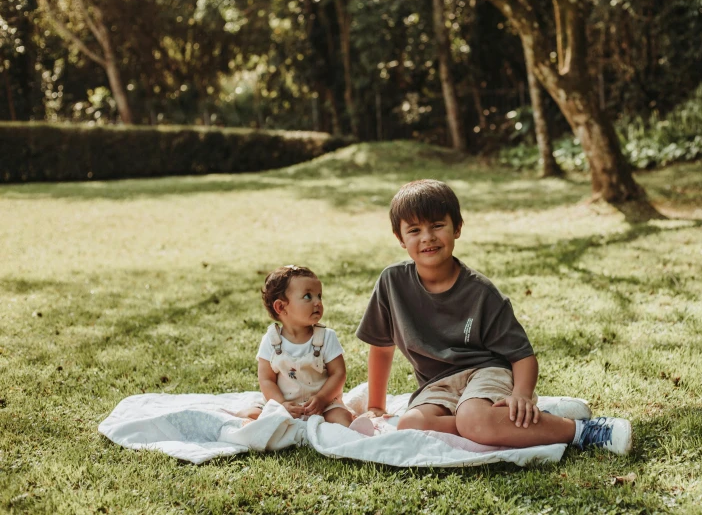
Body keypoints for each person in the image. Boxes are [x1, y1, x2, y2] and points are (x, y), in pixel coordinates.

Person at [356, 180, 632, 454]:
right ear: (400, 239)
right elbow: (381, 348)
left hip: (485, 370)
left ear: (457, 228)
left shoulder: (481, 292)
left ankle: (585, 431)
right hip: (437, 384)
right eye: (414, 230)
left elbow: (522, 356)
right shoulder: (392, 283)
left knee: (473, 417)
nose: (427, 237)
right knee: (411, 424)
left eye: (437, 225)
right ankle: (526, 418)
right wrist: (376, 407)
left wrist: (521, 395)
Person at [237, 265, 354, 428]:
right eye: (308, 296)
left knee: (343, 419)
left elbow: (338, 373)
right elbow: (266, 379)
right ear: (281, 307)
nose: (318, 302)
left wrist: (322, 399)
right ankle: (240, 424)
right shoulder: (271, 341)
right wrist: (281, 403)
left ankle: (351, 434)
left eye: (319, 296)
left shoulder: (326, 337)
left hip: (323, 404)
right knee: (253, 416)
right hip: (283, 404)